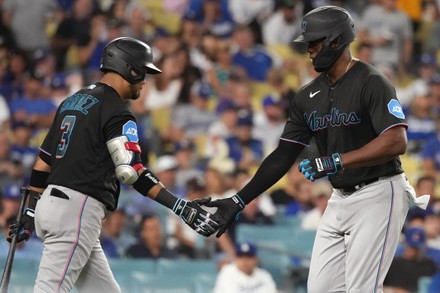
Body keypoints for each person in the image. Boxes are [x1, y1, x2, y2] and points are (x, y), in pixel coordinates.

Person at [204, 6, 430, 292]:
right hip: (339, 197)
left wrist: (336, 161)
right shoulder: (307, 96)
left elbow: (397, 141)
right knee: (320, 289)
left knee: (361, 289)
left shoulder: (372, 81)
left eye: (314, 41)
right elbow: (283, 155)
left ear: (336, 40)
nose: (308, 49)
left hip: (380, 191)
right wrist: (239, 200)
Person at [7, 37, 218, 293]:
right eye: (144, 72)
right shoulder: (117, 109)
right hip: (77, 209)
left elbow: (43, 163)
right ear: (130, 69)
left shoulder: (72, 102)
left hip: (53, 205)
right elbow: (130, 172)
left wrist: (30, 213)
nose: (144, 80)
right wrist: (179, 205)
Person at [213, 241, 278, 293]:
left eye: (249, 256)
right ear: (236, 258)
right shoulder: (227, 272)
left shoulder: (264, 275)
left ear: (256, 259)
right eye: (241, 256)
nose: (245, 261)